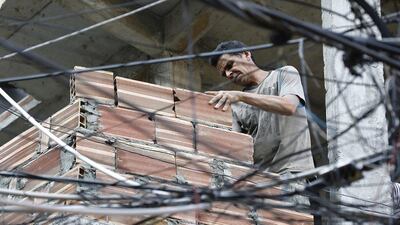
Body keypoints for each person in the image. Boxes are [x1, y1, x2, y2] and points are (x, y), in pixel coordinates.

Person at [207, 40, 315, 175]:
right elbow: (236, 149)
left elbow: (288, 106)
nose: (228, 74)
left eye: (230, 65)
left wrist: (240, 96)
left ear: (246, 54)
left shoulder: (284, 74)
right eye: (224, 74)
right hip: (261, 181)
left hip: (294, 173)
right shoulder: (235, 105)